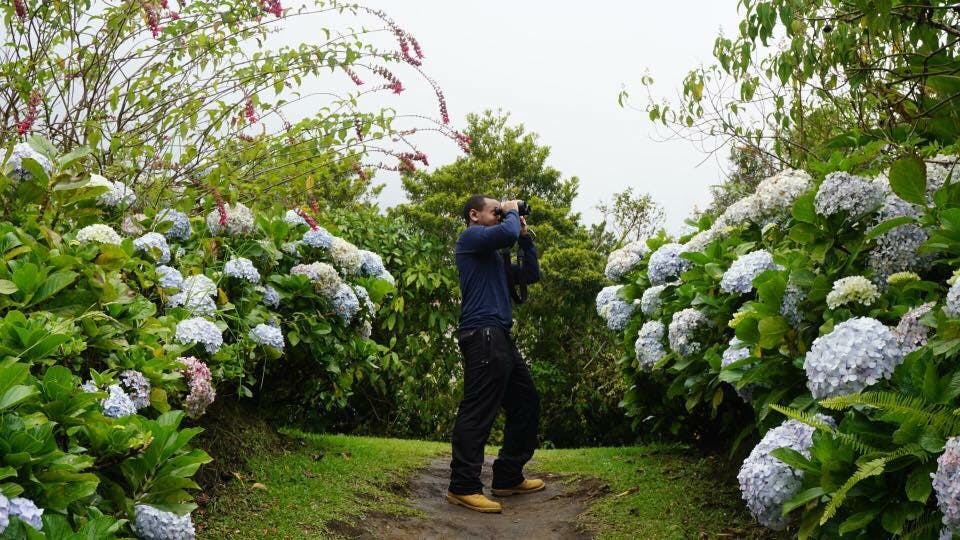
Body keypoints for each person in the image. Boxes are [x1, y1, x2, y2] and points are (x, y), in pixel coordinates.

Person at [446, 195, 544, 514]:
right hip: (482, 333)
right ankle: (463, 486)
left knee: (526, 401)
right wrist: (513, 213)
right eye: (495, 211)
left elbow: (530, 275)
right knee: (478, 408)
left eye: (502, 211)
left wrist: (526, 239)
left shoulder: (495, 255)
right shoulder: (471, 237)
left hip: (499, 335)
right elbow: (506, 233)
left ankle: (508, 476)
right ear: (474, 215)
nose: (501, 215)